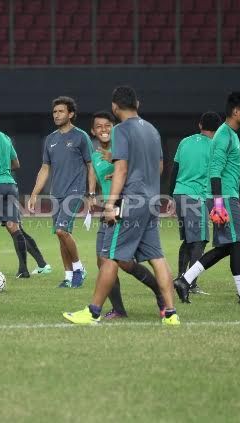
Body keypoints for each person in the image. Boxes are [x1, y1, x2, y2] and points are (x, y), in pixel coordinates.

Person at [63, 86, 179, 326]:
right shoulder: (152, 130)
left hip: (130, 201)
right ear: (137, 103)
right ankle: (171, 313)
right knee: (157, 257)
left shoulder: (122, 130)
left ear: (115, 106)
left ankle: (93, 311)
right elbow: (159, 168)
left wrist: (111, 203)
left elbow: (122, 168)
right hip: (151, 200)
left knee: (109, 257)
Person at [173, 92, 240, 306]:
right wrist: (219, 204)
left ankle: (185, 280)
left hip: (225, 197)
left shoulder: (230, 134)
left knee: (226, 247)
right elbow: (214, 171)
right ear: (236, 111)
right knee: (237, 243)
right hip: (224, 198)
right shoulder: (224, 135)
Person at [89, 110, 165, 319]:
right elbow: (95, 173)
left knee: (117, 261)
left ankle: (160, 291)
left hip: (125, 208)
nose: (103, 130)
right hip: (109, 209)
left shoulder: (122, 145)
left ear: (114, 128)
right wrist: (91, 194)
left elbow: (138, 168)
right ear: (93, 131)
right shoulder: (95, 154)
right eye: (99, 127)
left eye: (107, 126)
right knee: (103, 260)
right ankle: (119, 309)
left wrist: (120, 167)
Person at [28, 96, 96, 288]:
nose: (57, 115)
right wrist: (34, 194)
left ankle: (79, 268)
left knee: (61, 230)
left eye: (61, 111)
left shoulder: (81, 137)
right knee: (61, 235)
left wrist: (91, 194)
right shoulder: (50, 139)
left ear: (71, 114)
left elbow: (90, 166)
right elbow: (45, 169)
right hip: (56, 193)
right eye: (55, 112)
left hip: (74, 191)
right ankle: (68, 277)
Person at [0, 104, 50, 279]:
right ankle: (23, 269)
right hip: (10, 184)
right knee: (14, 227)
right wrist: (1, 167)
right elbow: (16, 164)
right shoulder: (5, 137)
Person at [168, 111, 222, 296]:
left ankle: (180, 277)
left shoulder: (185, 142)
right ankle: (189, 283)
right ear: (218, 129)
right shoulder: (215, 146)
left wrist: (170, 197)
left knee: (189, 240)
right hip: (196, 196)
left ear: (200, 125)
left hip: (179, 194)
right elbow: (216, 175)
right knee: (200, 240)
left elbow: (174, 170)